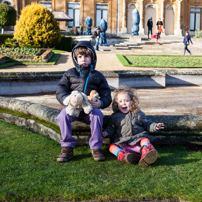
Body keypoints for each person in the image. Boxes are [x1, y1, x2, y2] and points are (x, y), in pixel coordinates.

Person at [56, 40, 112, 162]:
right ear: (75, 58)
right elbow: (61, 89)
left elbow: (106, 93)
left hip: (90, 107)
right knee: (62, 116)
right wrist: (67, 100)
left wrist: (100, 103)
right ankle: (67, 146)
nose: (83, 59)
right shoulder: (69, 73)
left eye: (86, 56)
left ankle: (96, 147)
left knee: (98, 115)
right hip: (73, 107)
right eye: (80, 56)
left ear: (92, 58)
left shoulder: (98, 75)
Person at [102, 86, 164, 166]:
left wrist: (155, 126)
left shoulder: (137, 113)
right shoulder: (114, 117)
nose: (123, 103)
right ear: (116, 104)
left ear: (131, 102)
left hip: (138, 142)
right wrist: (106, 133)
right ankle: (123, 155)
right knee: (112, 147)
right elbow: (111, 128)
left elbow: (147, 123)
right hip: (124, 143)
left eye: (126, 101)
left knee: (144, 139)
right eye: (120, 101)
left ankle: (146, 152)